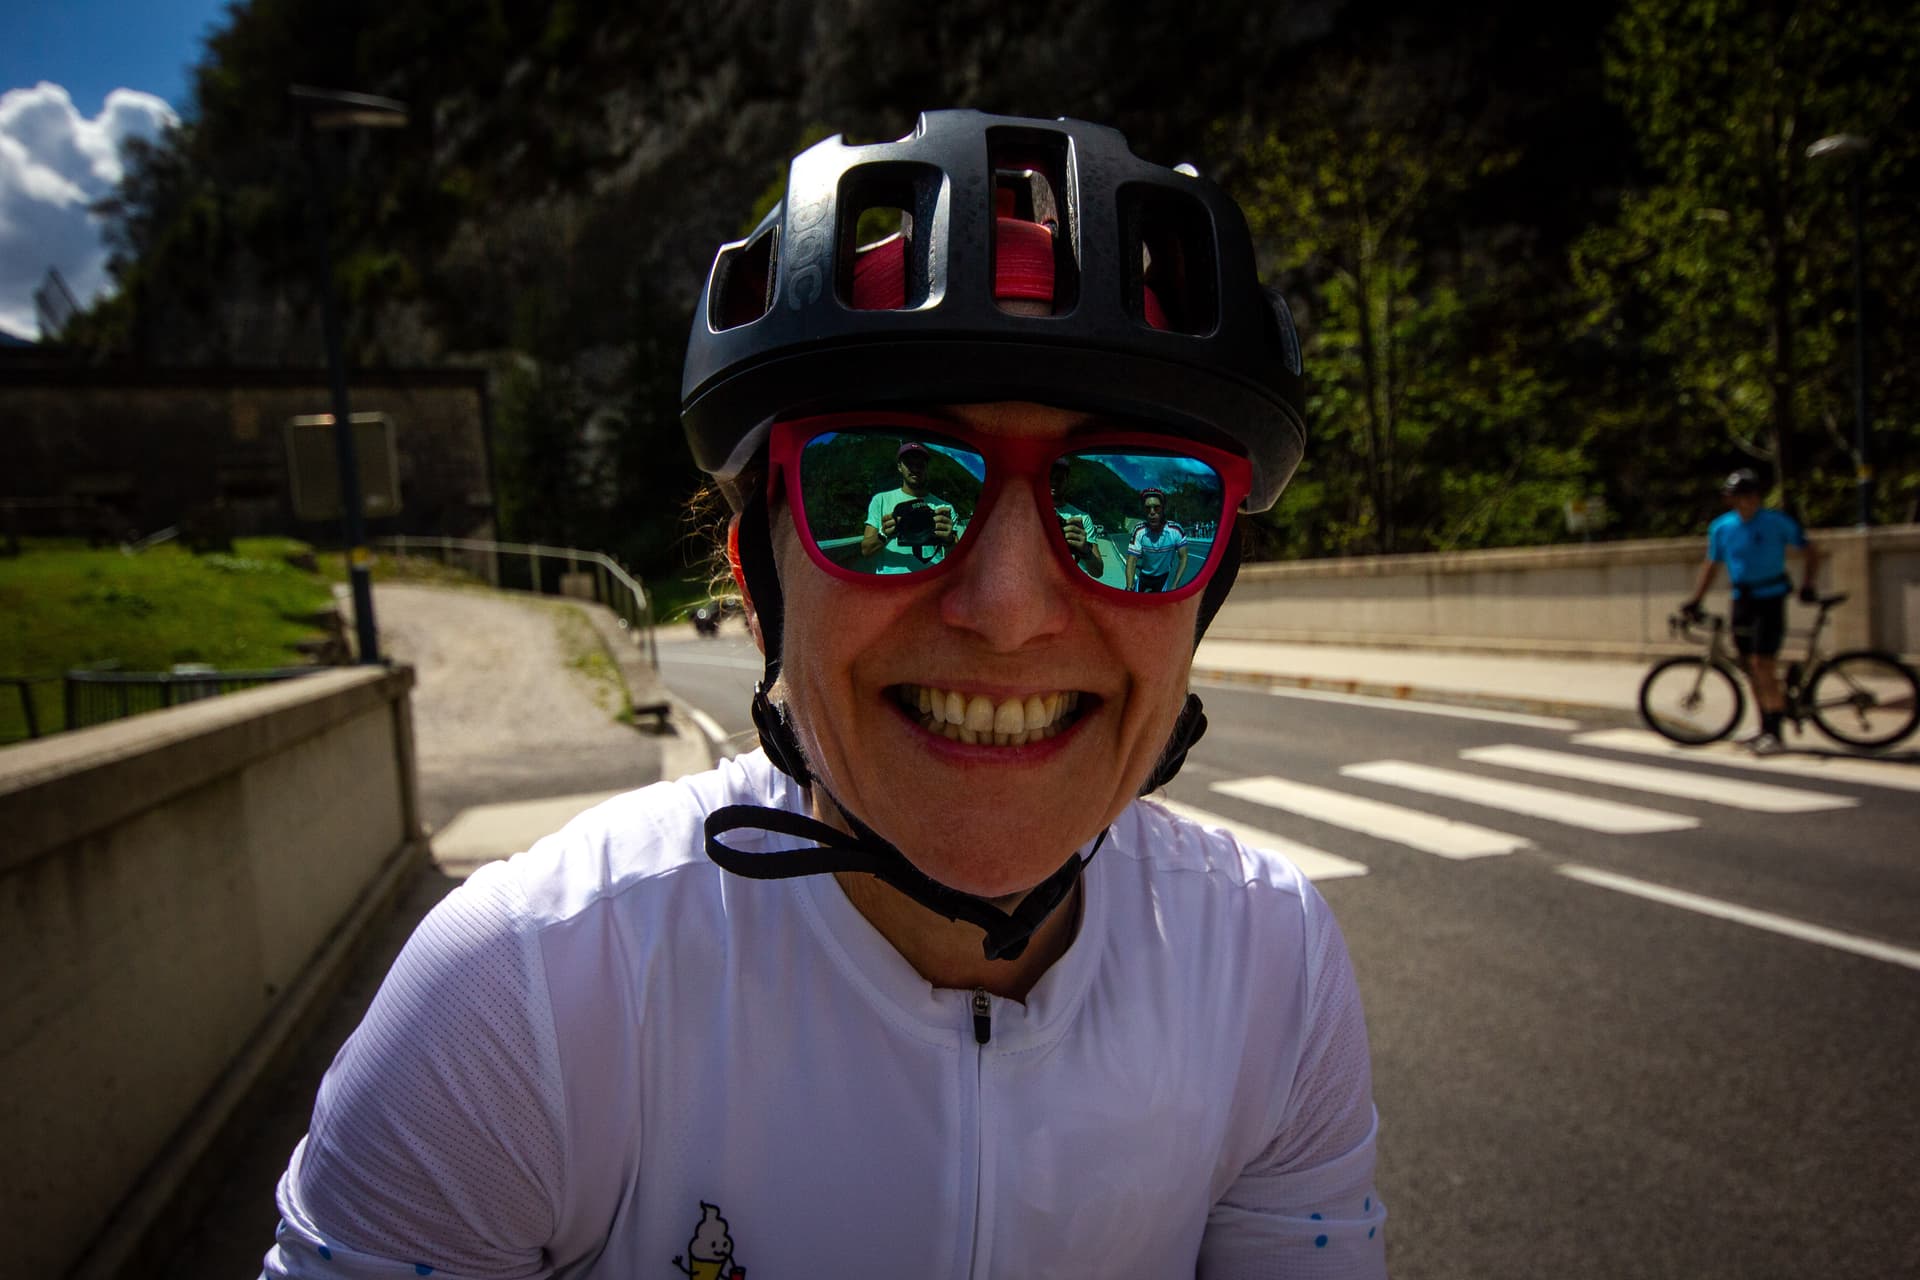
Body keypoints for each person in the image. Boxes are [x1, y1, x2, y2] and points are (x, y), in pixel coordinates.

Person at [265, 111, 1386, 1277]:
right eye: (888, 490)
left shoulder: (1271, 968)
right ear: (760, 582)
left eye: (1130, 506)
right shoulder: (524, 999)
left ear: (1199, 598)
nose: (1009, 608)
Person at [1680, 467, 1821, 753]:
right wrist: (1696, 599)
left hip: (1770, 598)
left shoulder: (1776, 522)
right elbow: (1712, 565)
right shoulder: (1722, 527)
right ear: (1730, 499)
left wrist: (1807, 583)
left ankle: (1775, 732)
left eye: (1752, 495)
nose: (1747, 501)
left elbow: (1809, 549)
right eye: (1740, 496)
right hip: (1741, 599)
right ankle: (1764, 724)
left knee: (1762, 663)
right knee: (1748, 665)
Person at [859, 439, 960, 572]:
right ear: (899, 467)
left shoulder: (945, 508)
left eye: (920, 464)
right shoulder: (881, 500)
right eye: (909, 463)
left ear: (926, 467)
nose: (915, 469)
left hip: (932, 580)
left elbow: (958, 558)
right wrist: (886, 533)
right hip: (892, 585)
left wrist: (949, 540)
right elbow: (866, 550)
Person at [1125, 486, 1189, 592]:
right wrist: (1129, 587)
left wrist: (1174, 585)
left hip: (1162, 578)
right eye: (1147, 508)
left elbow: (1184, 557)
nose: (1152, 512)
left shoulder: (1176, 530)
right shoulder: (1139, 530)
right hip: (1144, 576)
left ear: (1163, 508)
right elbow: (1132, 560)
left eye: (1157, 507)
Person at [1049, 455, 1104, 576]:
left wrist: (1085, 550)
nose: (1053, 483)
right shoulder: (1031, 512)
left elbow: (1098, 571)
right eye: (1049, 478)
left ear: (1067, 481)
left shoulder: (1082, 518)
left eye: (1058, 479)